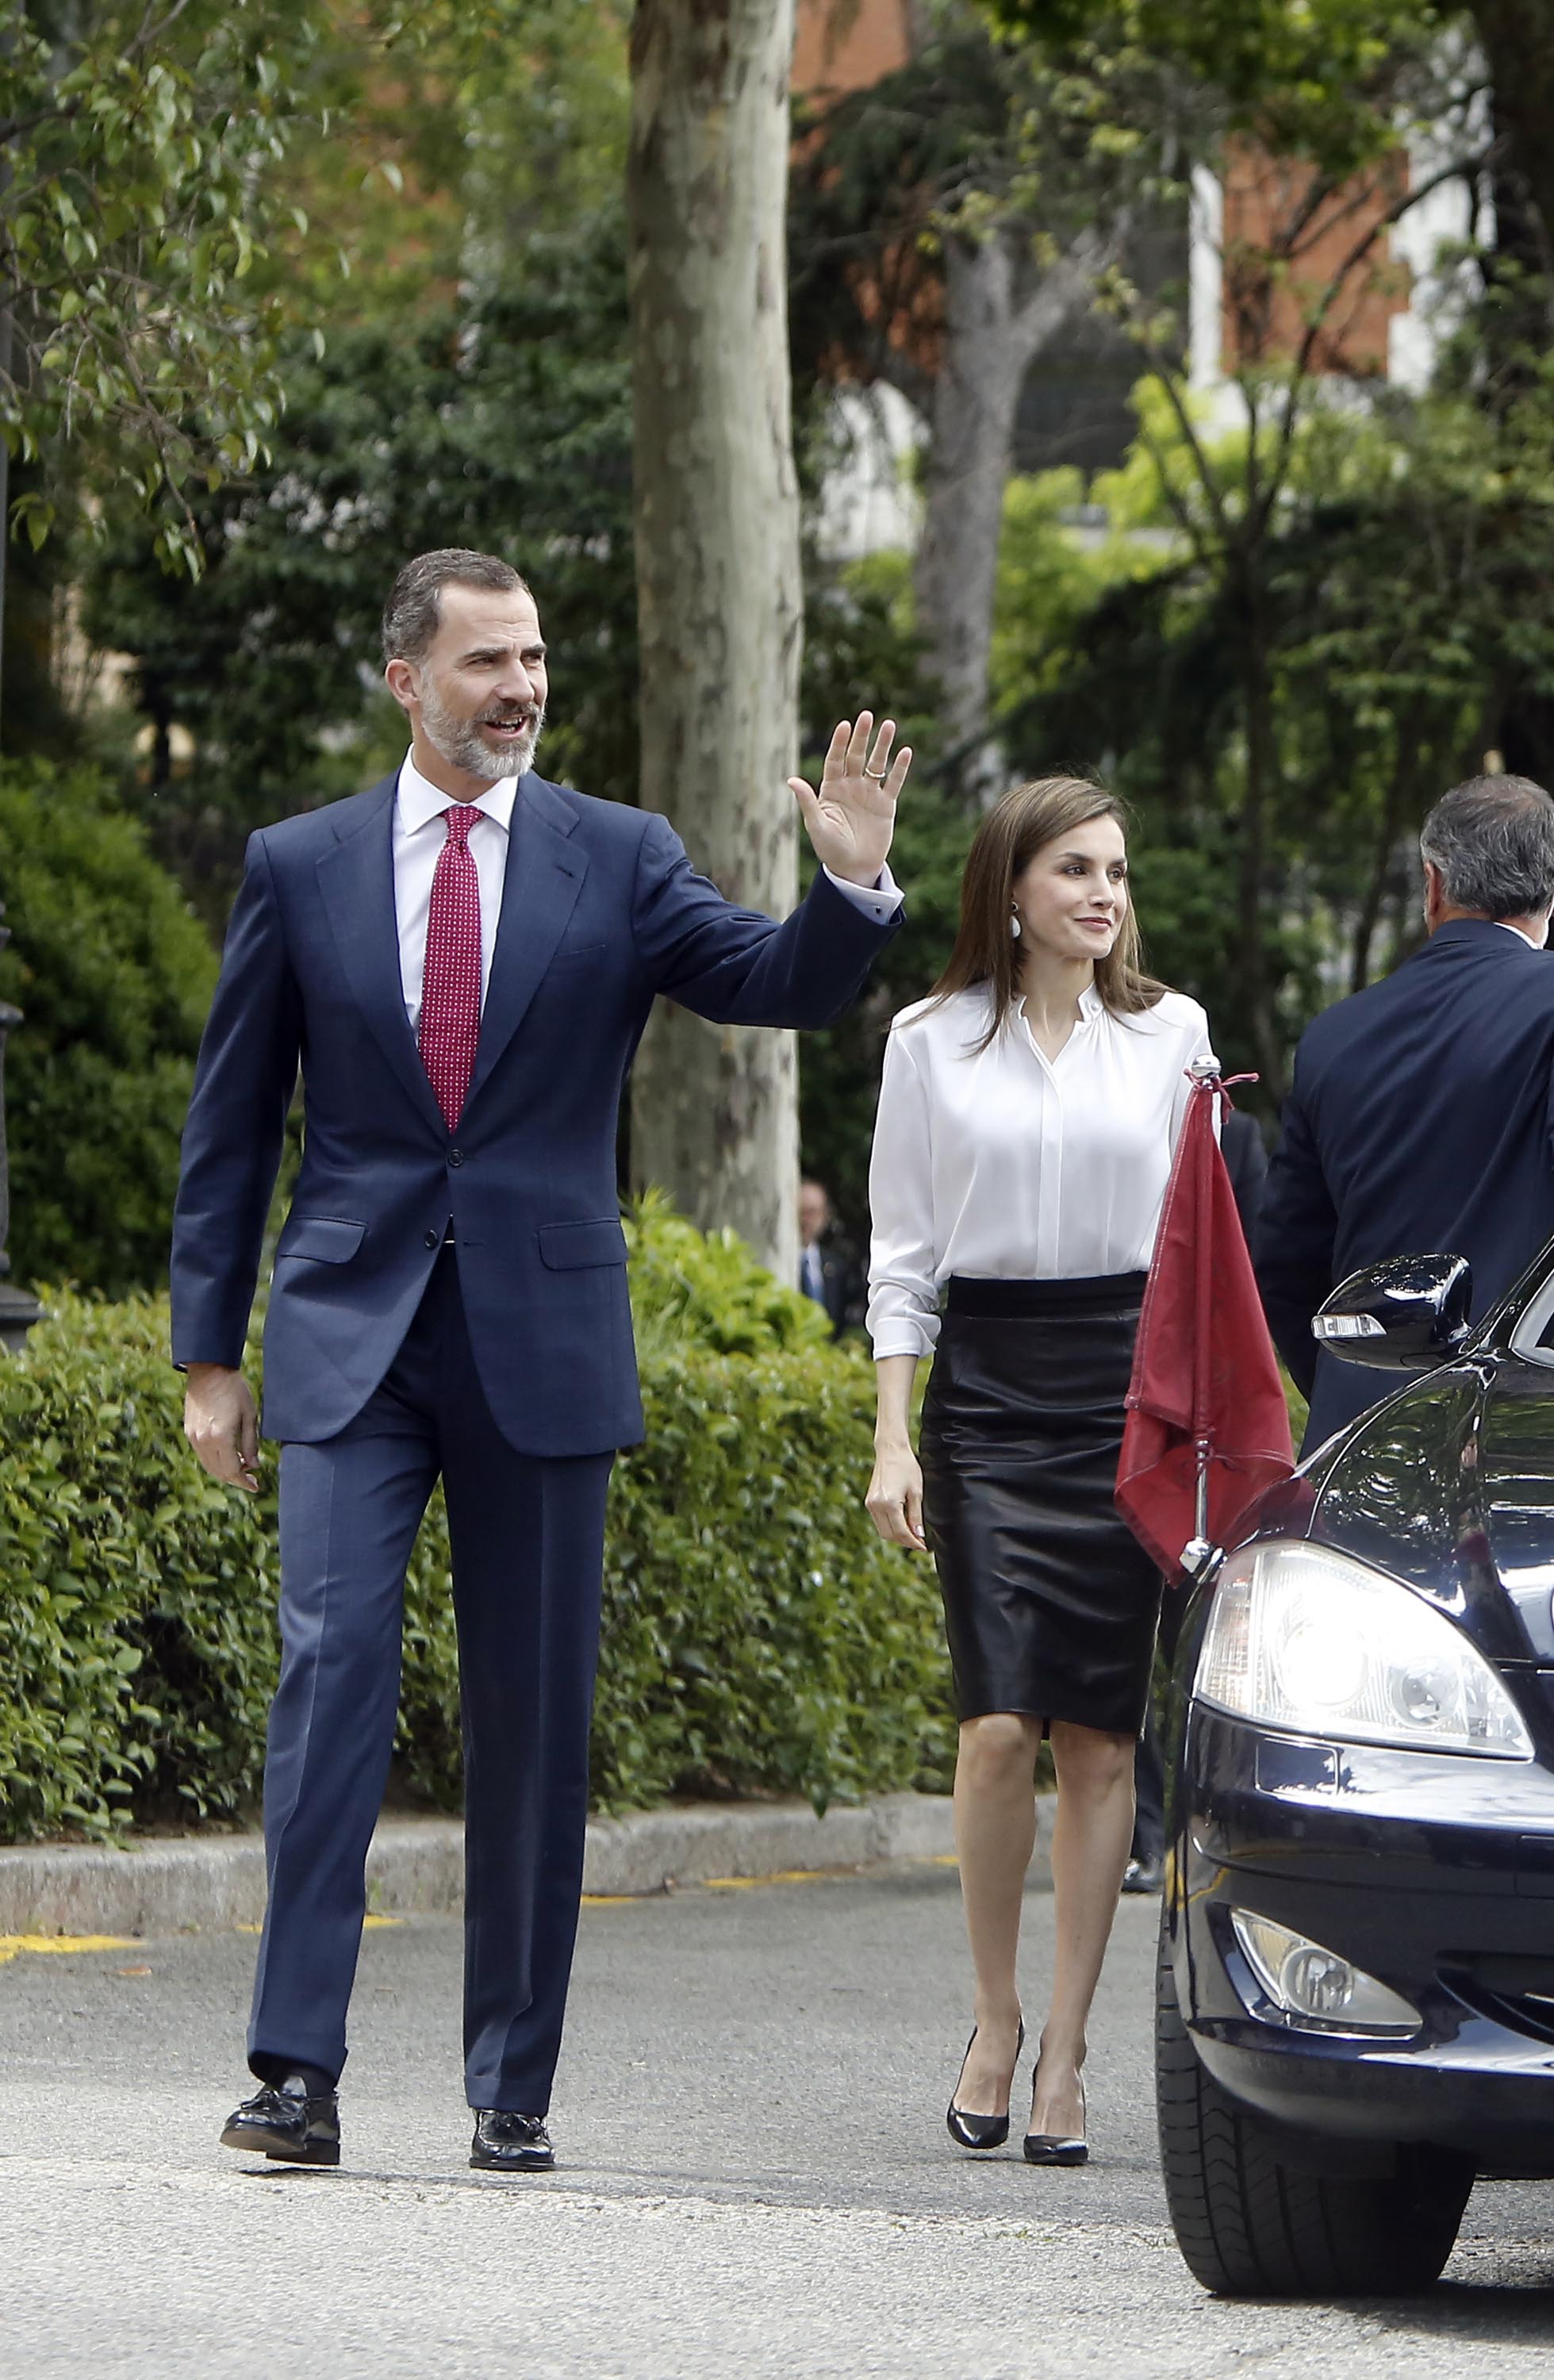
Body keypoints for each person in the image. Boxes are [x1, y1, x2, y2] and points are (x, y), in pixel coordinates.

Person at [171, 547, 912, 2175]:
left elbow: (761, 984)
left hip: (544, 1337)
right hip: (350, 1337)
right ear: (404, 679)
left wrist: (847, 890)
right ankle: (295, 2069)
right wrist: (206, 1354)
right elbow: (229, 1130)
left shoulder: (616, 855)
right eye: (485, 662)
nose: (518, 687)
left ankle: (512, 2080)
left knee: (531, 1714)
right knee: (331, 1675)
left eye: (531, 661)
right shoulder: (300, 866)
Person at [864, 775, 1211, 2167]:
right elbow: (898, 1257)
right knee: (998, 1725)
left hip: (1125, 1392)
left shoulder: (1171, 1033)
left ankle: (1068, 2044)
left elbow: (1200, 1250)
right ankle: (994, 2020)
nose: (1102, 894)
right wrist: (891, 1434)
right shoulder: (926, 1043)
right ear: (1008, 889)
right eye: (1073, 868)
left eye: (1115, 870)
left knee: (1102, 1738)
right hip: (989, 1403)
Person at [1257, 771, 1554, 1454]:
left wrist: (1347, 1381)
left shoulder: (1334, 1034)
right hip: (1526, 1433)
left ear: (1432, 884)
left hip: (1361, 1433)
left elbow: (1286, 1259)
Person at [1125, 1104, 1267, 1893]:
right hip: (1113, 1402)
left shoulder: (1233, 1137)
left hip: (1200, 1430)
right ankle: (1147, 1831)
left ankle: (1187, 1826)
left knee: (1192, 1637)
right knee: (1126, 1640)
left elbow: (1252, 1277)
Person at [798, 1177, 865, 1335]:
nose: (806, 1220)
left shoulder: (837, 1265)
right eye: (801, 1212)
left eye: (812, 1212)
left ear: (824, 1216)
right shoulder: (778, 1263)